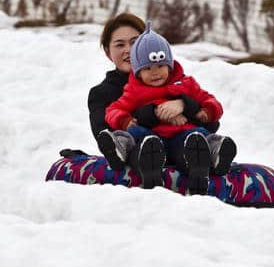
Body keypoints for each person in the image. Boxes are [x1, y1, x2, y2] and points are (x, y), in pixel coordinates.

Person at [87, 13, 226, 190]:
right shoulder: (103, 93)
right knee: (144, 144)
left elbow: (211, 123)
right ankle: (151, 164)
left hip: (183, 148)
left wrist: (183, 105)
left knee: (196, 141)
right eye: (120, 45)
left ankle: (209, 157)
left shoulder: (175, 81)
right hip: (142, 153)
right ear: (108, 52)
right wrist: (155, 113)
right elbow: (108, 136)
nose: (128, 50)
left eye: (135, 42)